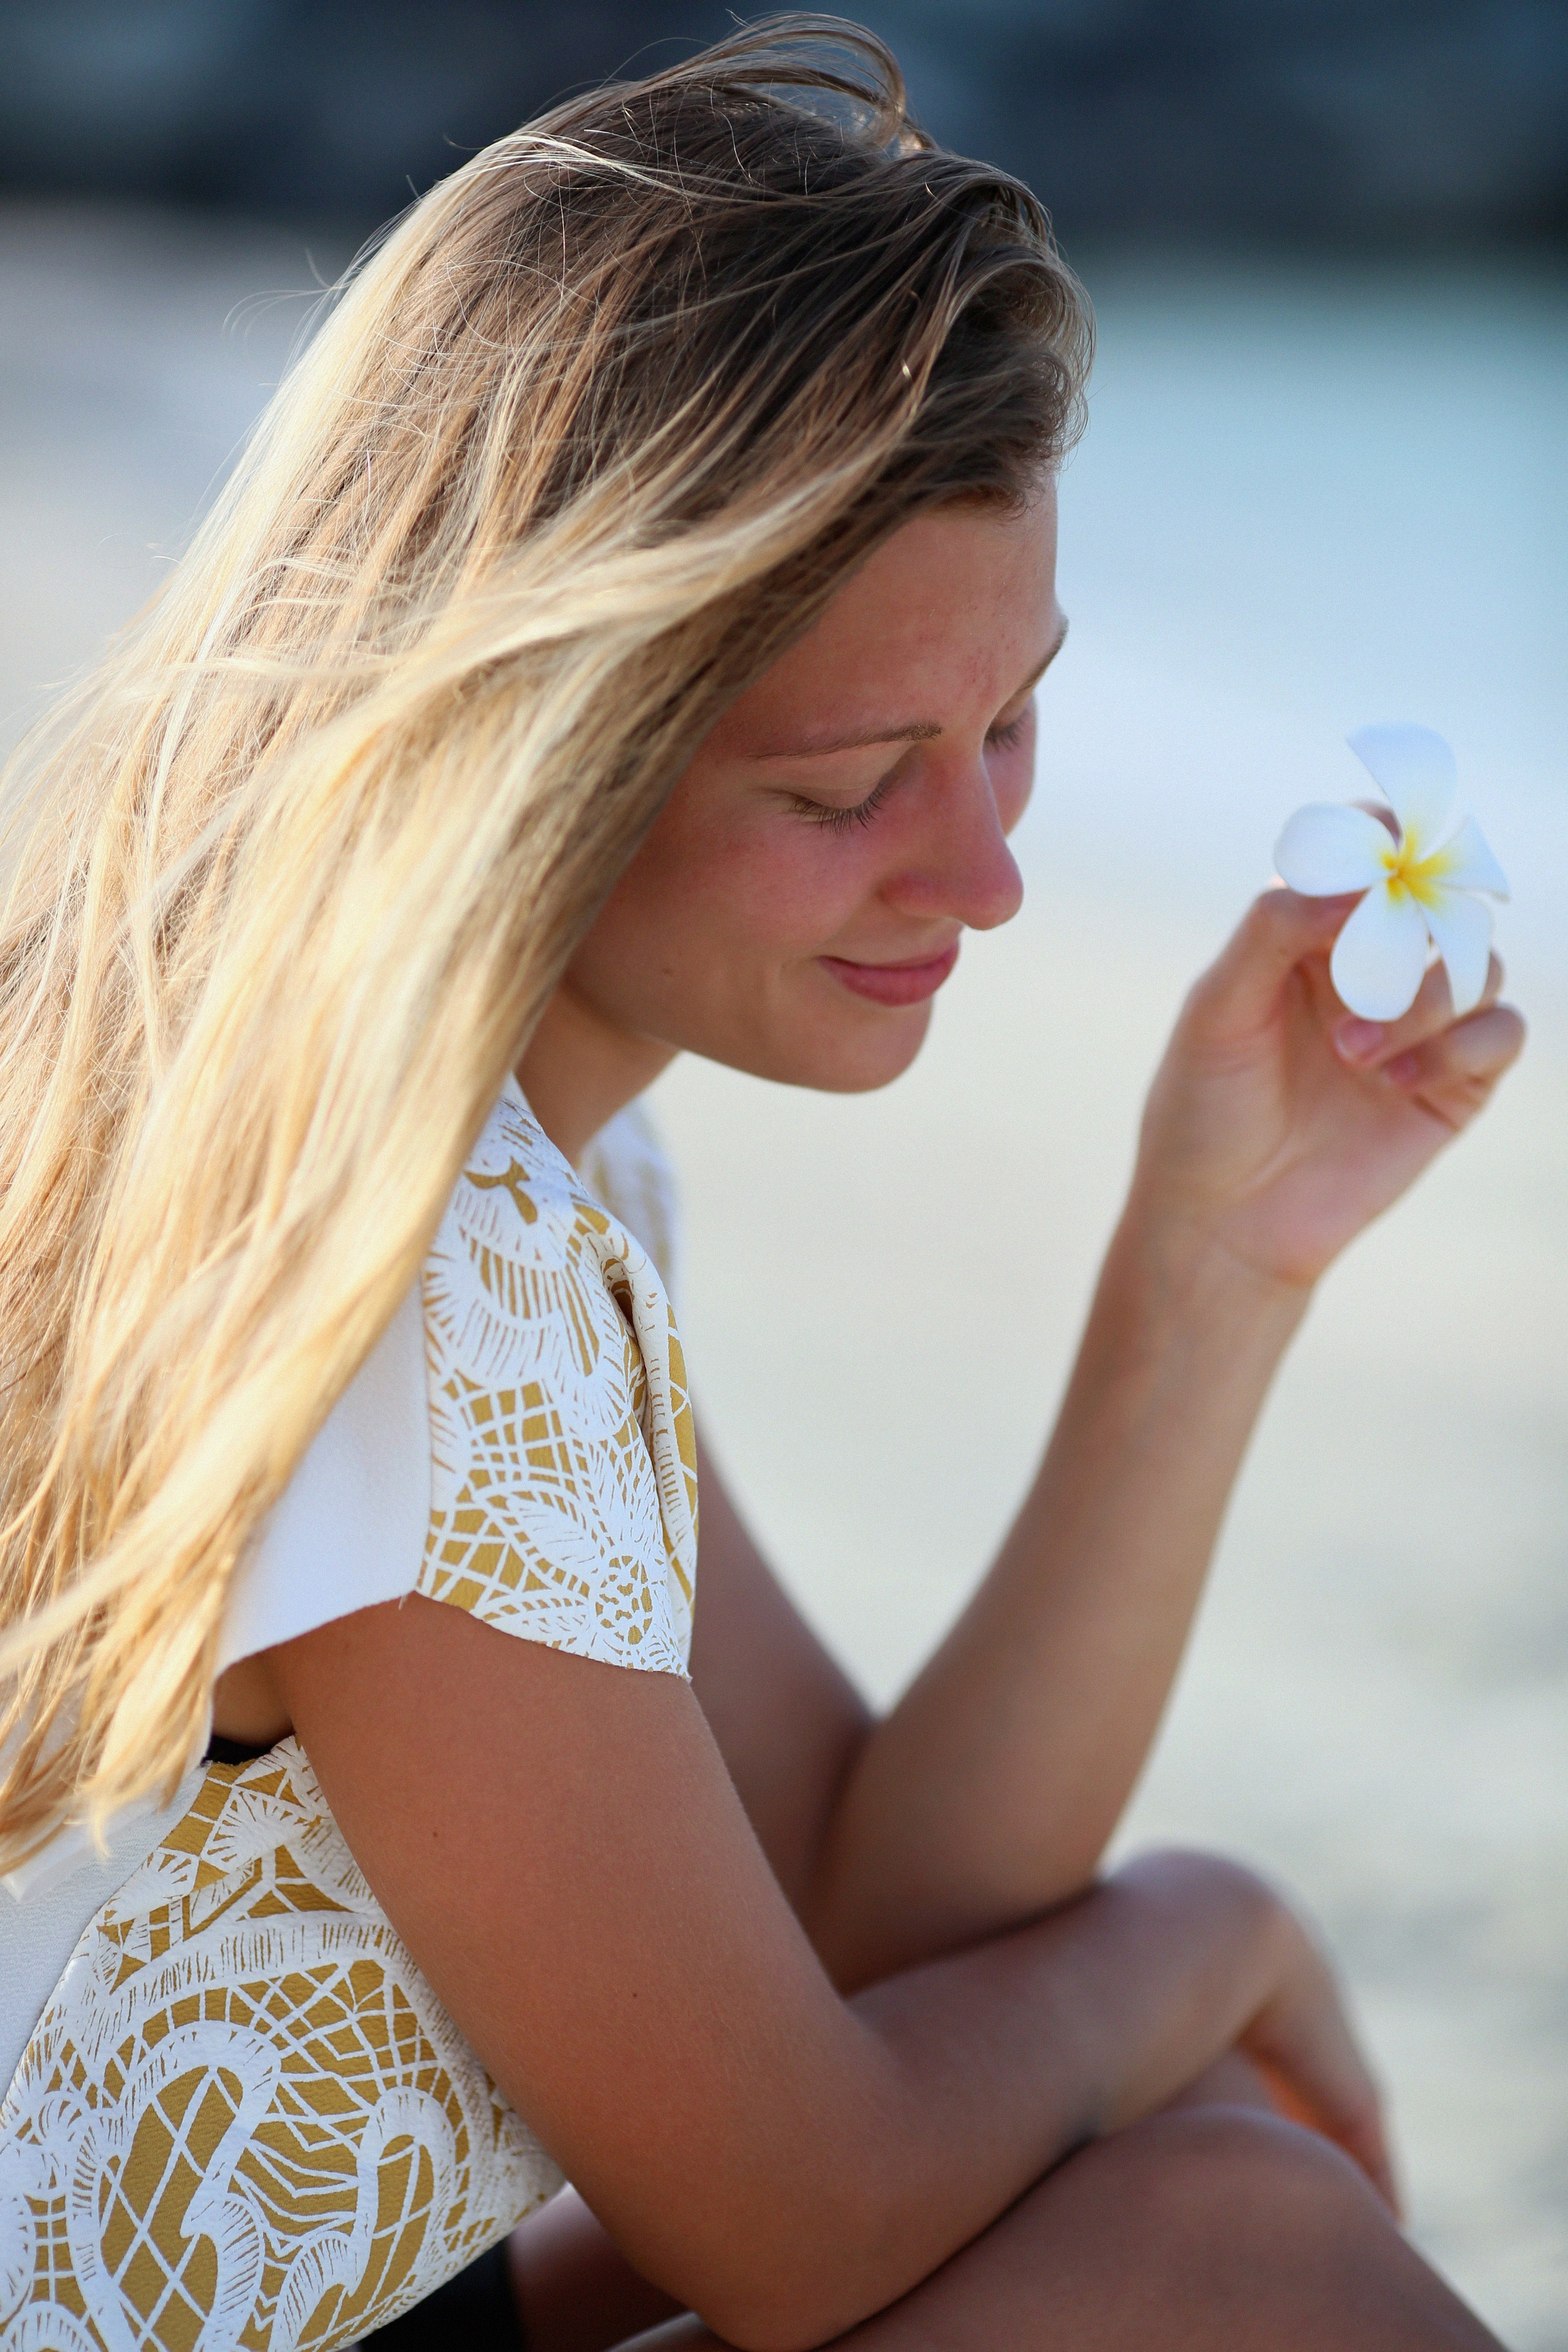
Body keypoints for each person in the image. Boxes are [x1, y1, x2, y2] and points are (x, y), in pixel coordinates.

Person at [0, 21, 1523, 2352]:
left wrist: (1216, 1258)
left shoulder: (488, 1158)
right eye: (853, 786)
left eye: (1011, 723)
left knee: (1183, 2180)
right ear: (540, 739)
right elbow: (795, 2226)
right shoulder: (405, 1277)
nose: (992, 874)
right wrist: (1207, 1926)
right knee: (1234, 2241)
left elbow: (855, 1913)